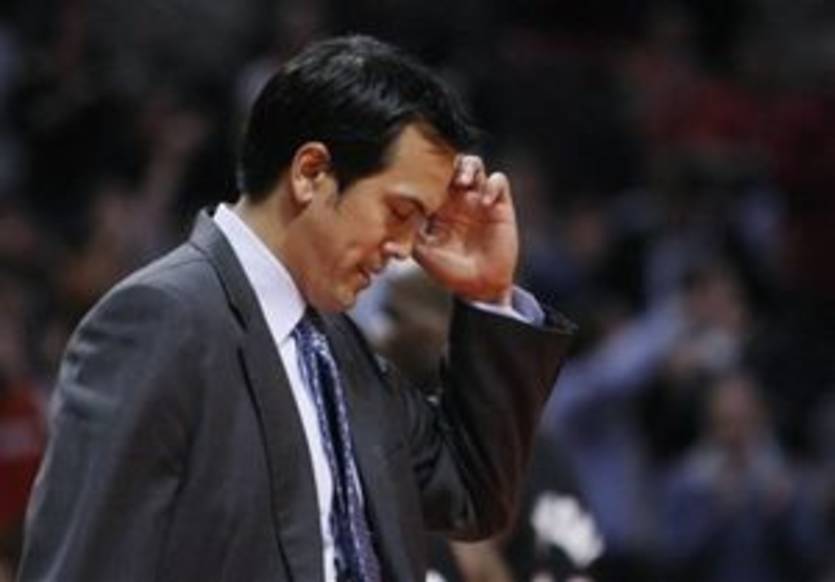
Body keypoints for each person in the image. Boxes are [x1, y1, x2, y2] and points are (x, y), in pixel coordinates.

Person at [18, 35, 575, 581]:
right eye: (400, 212)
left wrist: (487, 294)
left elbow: (471, 494)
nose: (406, 249)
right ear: (311, 173)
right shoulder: (159, 320)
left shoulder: (341, 349)